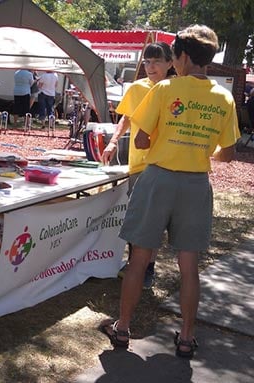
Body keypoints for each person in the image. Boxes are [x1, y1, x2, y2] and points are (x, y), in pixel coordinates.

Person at [98, 24, 240, 359]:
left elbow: (142, 139)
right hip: (195, 184)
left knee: (138, 260)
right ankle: (187, 338)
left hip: (157, 178)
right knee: (189, 267)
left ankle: (122, 328)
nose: (171, 63)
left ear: (185, 57)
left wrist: (167, 138)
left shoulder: (164, 90)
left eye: (173, 57)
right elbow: (229, 154)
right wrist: (199, 148)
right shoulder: (223, 97)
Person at [101, 42, 176, 289]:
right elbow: (127, 118)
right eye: (146, 61)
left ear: (170, 63)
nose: (150, 66)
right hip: (138, 164)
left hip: (165, 164)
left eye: (156, 61)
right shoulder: (137, 88)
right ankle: (137, 264)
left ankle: (146, 268)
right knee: (137, 217)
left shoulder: (176, 89)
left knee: (154, 220)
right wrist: (112, 142)